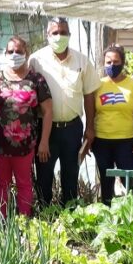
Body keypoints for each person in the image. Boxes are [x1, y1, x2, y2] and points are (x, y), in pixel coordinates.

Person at [29, 17, 100, 207]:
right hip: (46, 130)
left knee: (71, 175)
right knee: (44, 175)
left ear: (69, 35)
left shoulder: (82, 60)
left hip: (73, 128)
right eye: (55, 32)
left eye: (63, 32)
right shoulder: (36, 60)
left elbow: (89, 95)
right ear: (47, 35)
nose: (59, 36)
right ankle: (45, 216)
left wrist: (90, 128)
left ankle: (69, 218)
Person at [0, 36, 52, 217]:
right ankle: (2, 222)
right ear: (5, 54)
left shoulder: (36, 80)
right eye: (11, 51)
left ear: (26, 53)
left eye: (19, 51)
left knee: (24, 183)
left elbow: (48, 112)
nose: (15, 54)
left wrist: (44, 141)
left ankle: (24, 223)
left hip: (25, 145)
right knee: (2, 184)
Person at [93, 44, 133, 205]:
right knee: (106, 181)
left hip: (126, 141)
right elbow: (91, 112)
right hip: (101, 141)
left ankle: (132, 213)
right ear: (103, 63)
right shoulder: (98, 85)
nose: (112, 65)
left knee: (129, 181)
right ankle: (107, 213)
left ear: (123, 63)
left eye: (116, 62)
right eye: (108, 62)